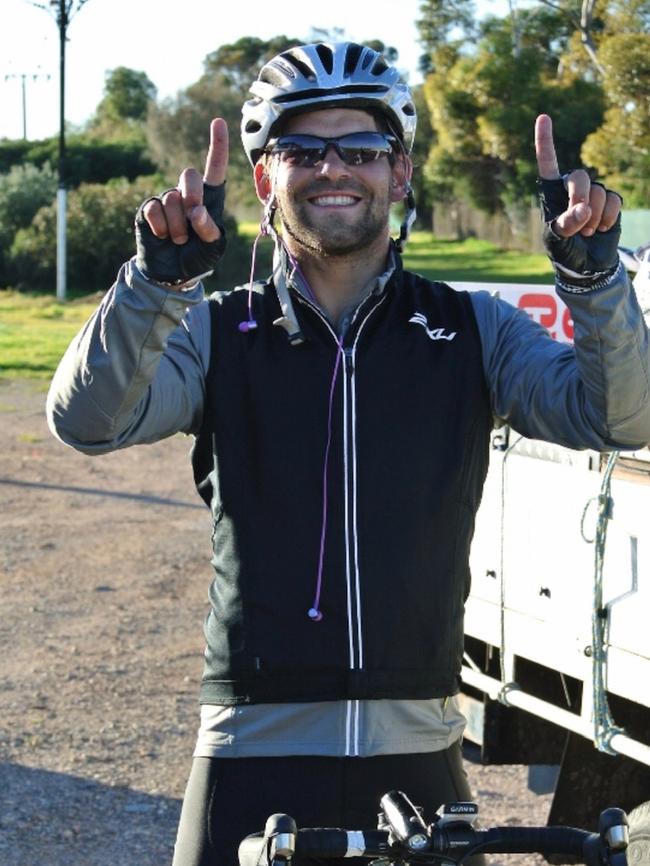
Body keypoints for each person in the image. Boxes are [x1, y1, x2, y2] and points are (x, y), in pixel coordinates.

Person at [46, 41, 650, 866]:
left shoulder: (472, 329)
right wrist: (156, 283)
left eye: (361, 149)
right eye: (301, 149)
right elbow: (87, 421)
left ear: (399, 175)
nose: (335, 169)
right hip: (248, 757)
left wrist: (594, 279)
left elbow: (621, 419)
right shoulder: (218, 330)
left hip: (421, 756)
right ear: (265, 179)